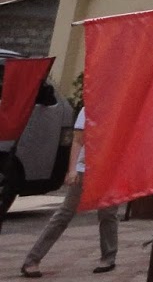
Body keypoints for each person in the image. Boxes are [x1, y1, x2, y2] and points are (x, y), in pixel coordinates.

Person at [20, 104, 117, 277]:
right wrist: (72, 169)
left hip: (110, 169)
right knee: (64, 213)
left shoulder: (123, 106)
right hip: (85, 168)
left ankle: (108, 257)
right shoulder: (90, 106)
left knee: (108, 213)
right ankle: (32, 260)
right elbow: (78, 139)